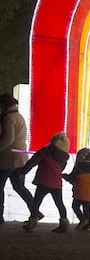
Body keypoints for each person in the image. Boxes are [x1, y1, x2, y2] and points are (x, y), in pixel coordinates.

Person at [21, 132, 71, 233]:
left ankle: (32, 221)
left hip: (44, 181)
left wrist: (23, 172)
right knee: (59, 203)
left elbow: (33, 162)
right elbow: (61, 169)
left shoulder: (45, 151)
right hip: (56, 182)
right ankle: (64, 222)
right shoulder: (64, 157)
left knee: (36, 202)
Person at [0, 93, 33, 223]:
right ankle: (35, 211)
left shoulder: (8, 118)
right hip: (20, 159)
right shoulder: (19, 116)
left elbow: (8, 138)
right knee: (19, 187)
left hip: (8, 158)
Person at [64, 147, 90, 230]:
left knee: (75, 206)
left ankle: (83, 220)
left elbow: (71, 177)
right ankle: (87, 225)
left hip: (80, 192)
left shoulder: (79, 166)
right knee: (87, 209)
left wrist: (63, 176)